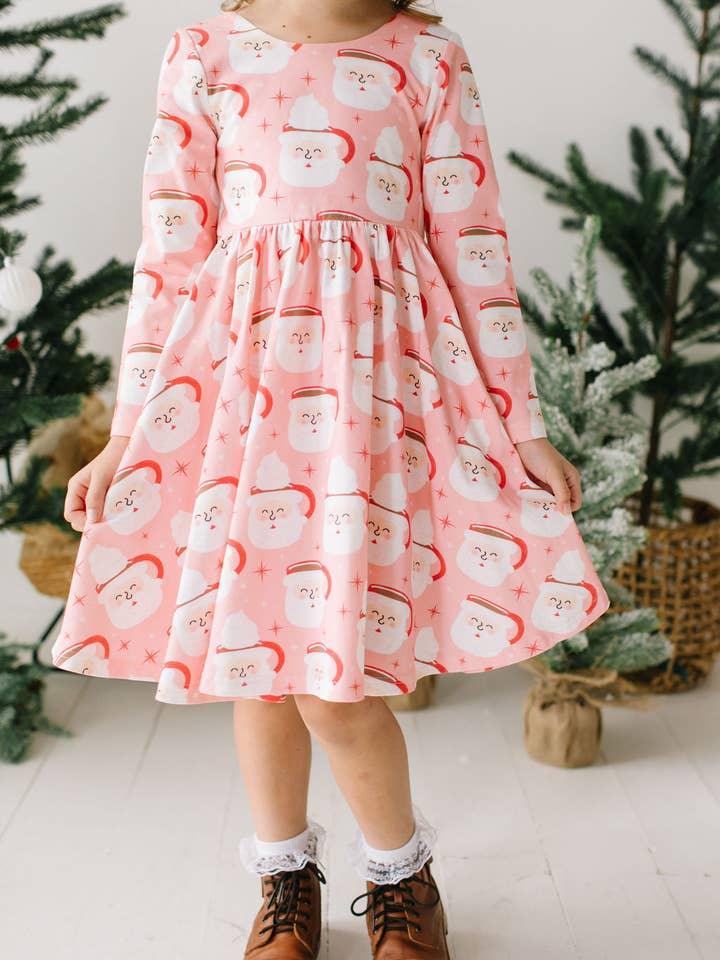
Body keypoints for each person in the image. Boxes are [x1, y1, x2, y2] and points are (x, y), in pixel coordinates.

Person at [55, 1, 610, 956]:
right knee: (260, 674)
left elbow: (474, 250)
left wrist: (519, 428)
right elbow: (170, 259)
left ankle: (403, 878)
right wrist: (129, 434)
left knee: (333, 688)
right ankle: (286, 882)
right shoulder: (205, 52)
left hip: (378, 404)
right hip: (241, 399)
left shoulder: (426, 53)